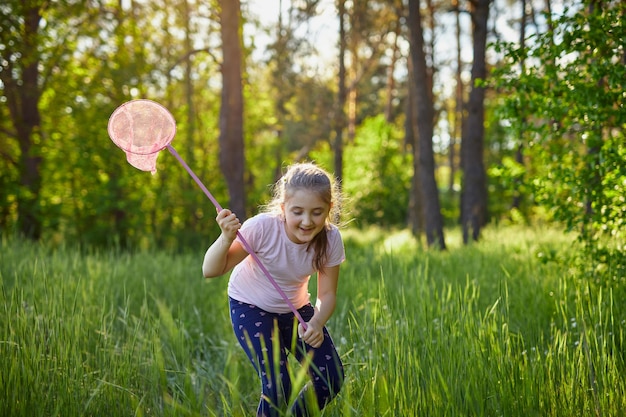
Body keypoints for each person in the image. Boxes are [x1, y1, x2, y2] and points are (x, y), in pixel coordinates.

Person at [202, 162, 345, 417]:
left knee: (330, 377)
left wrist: (318, 322)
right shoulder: (262, 228)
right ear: (283, 208)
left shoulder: (330, 238)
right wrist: (226, 238)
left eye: (316, 212)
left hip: (295, 308)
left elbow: (327, 294)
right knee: (278, 387)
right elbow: (211, 270)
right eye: (297, 211)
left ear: (329, 209)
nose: (306, 221)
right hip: (250, 305)